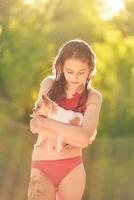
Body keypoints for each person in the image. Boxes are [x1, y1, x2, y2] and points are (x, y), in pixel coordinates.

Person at [28, 38, 102, 200]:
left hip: (72, 168)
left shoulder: (93, 96)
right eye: (69, 71)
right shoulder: (49, 84)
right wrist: (75, 137)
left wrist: (46, 123)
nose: (74, 78)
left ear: (90, 69)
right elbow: (34, 124)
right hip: (42, 165)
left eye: (81, 73)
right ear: (60, 66)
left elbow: (85, 136)